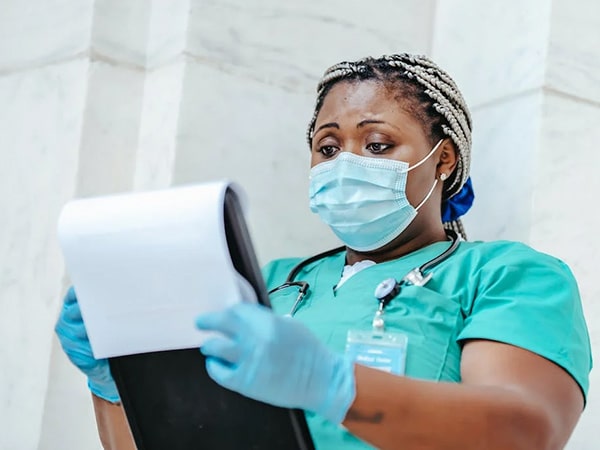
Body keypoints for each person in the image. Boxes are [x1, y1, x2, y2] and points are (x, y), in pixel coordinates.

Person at [55, 53, 592, 449]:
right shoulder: (265, 283)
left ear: (443, 160)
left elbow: (528, 430)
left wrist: (333, 385)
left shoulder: (505, 276)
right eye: (327, 147)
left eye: (377, 145)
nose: (343, 164)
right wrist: (118, 380)